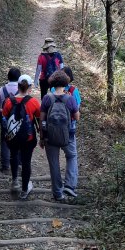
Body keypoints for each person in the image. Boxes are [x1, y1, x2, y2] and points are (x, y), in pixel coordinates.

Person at [40, 69, 80, 201]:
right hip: (67, 135)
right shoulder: (70, 99)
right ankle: (70, 185)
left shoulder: (47, 98)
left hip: (50, 136)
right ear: (65, 82)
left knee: (54, 163)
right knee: (72, 156)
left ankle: (57, 193)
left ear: (52, 82)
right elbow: (77, 117)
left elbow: (42, 119)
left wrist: (41, 137)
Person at [2, 74, 40, 199]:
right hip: (28, 138)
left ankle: (14, 181)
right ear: (29, 88)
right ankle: (24, 190)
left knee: (13, 157)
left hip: (12, 137)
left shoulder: (8, 101)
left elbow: (4, 119)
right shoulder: (33, 102)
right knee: (26, 162)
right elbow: (39, 118)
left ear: (18, 86)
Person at [0, 67, 20, 173]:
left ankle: (5, 165)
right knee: (19, 139)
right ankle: (18, 162)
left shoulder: (2, 90)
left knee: (5, 140)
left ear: (8, 77)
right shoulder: (21, 89)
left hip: (5, 118)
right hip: (18, 118)